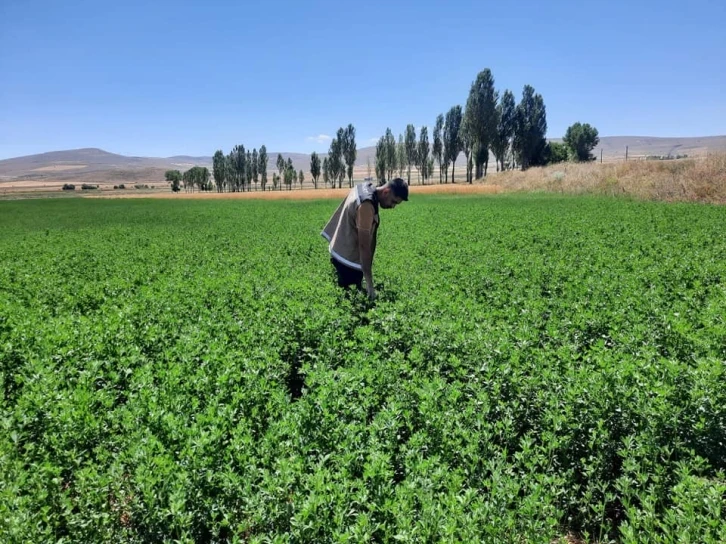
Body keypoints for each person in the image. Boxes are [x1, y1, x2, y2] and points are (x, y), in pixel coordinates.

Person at [321, 178, 408, 300]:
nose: (392, 206)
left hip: (340, 249)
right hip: (346, 260)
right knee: (350, 304)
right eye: (393, 202)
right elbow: (364, 245)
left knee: (347, 299)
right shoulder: (366, 205)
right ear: (386, 192)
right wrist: (369, 283)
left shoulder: (365, 187)